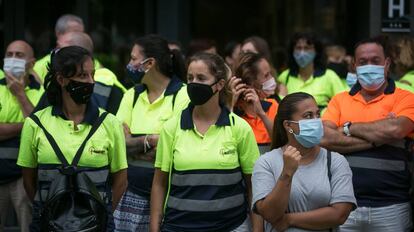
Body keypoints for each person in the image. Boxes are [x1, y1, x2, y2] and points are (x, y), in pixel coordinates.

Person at [16, 46, 128, 230]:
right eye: (83, 76)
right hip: (47, 224)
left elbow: (121, 180)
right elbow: (28, 181)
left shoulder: (110, 123)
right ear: (61, 79)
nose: (91, 81)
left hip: (97, 225)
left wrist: (100, 213)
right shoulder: (35, 123)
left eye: (93, 75)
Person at [150, 52, 261, 232]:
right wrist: (154, 228)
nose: (193, 83)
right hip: (178, 226)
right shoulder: (172, 127)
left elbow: (253, 186)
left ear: (220, 84)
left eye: (201, 78)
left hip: (231, 226)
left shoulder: (239, 128)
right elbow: (159, 183)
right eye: (190, 78)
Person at [321, 37, 414, 231]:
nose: (369, 66)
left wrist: (347, 128)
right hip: (344, 206)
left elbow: (397, 129)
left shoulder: (406, 97)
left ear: (387, 63)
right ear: (354, 65)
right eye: (363, 62)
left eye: (376, 61)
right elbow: (325, 138)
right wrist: (378, 136)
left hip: (392, 207)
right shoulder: (339, 100)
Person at [115, 34, 189, 231]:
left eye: (133, 58)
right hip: (130, 193)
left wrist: (134, 144)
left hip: (170, 196)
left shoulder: (183, 95)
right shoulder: (130, 95)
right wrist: (151, 140)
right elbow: (117, 144)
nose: (129, 64)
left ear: (149, 63)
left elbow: (178, 148)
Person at [252, 92, 356, 232]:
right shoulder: (266, 162)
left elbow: (340, 214)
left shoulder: (335, 161)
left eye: (317, 114)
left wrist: (289, 219)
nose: (316, 120)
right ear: (288, 125)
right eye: (308, 116)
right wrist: (286, 174)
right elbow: (270, 214)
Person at [0, 40, 43, 232]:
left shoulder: (42, 92)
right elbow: (33, 124)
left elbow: (40, 132)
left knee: (29, 228)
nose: (12, 59)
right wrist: (27, 123)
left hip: (24, 178)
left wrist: (20, 95)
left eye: (19, 55)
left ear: (31, 63)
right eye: (9, 54)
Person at [34, 31, 126, 114]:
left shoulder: (109, 90)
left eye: (60, 49)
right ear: (60, 80)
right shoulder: (51, 96)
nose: (55, 53)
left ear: (77, 53)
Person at [278, 32, 347, 111]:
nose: (302, 53)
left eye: (307, 48)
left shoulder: (329, 76)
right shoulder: (285, 76)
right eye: (298, 48)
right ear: (292, 51)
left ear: (316, 51)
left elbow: (343, 104)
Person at [230, 52, 279, 153]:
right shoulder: (231, 111)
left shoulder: (273, 105)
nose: (271, 79)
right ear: (251, 83)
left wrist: (262, 114)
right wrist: (231, 106)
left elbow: (279, 142)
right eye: (266, 76)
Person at [34, 14, 85, 81]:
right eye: (75, 33)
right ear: (58, 34)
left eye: (82, 34)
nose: (80, 38)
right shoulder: (39, 66)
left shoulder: (93, 62)